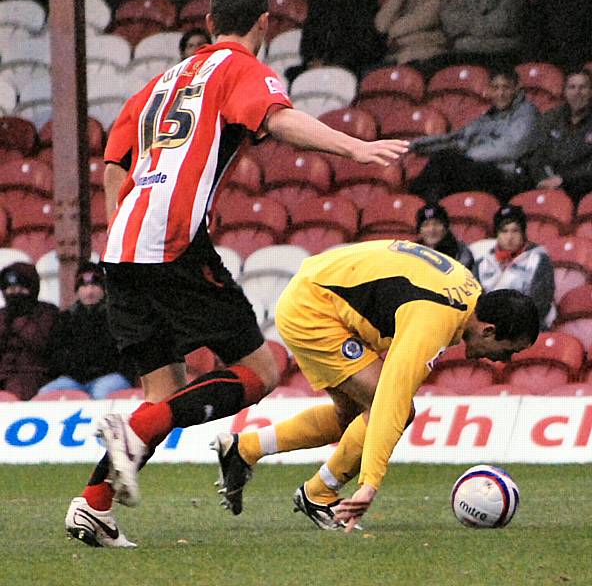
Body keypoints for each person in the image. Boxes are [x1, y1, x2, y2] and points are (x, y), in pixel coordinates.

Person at [64, 0, 408, 549]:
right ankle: (128, 436)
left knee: (164, 391)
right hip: (170, 241)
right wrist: (355, 147)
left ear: (206, 22)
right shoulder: (239, 68)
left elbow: (113, 168)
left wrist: (125, 233)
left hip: (122, 246)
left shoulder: (158, 83)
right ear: (265, 24)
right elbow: (278, 119)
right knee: (259, 372)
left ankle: (93, 506)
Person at [211, 239, 539, 531]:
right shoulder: (434, 321)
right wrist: (370, 483)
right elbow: (390, 403)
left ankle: (244, 449)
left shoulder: (467, 297)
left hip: (321, 290)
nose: (503, 361)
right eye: (508, 351)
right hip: (314, 308)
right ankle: (318, 493)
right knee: (393, 408)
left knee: (349, 416)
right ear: (489, 331)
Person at [409, 68, 542, 202]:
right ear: (489, 90)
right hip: (483, 172)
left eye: (506, 88)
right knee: (441, 175)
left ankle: (417, 205)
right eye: (495, 88)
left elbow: (510, 149)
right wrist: (420, 145)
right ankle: (418, 206)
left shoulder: (527, 113)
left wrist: (467, 155)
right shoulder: (487, 117)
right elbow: (459, 138)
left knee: (445, 163)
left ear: (516, 88)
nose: (500, 94)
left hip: (509, 178)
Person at [285, 0, 384, 83]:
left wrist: (331, 63)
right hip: (318, 63)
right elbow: (309, 36)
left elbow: (364, 41)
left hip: (350, 63)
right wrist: (312, 61)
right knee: (289, 74)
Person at [36, 262, 132, 400]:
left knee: (100, 394)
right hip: (74, 380)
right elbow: (56, 353)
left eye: (94, 285)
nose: (89, 291)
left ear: (104, 289)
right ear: (77, 290)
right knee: (46, 394)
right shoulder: (65, 318)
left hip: (110, 376)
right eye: (84, 286)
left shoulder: (116, 317)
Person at [474, 205, 555, 329]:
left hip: (528, 327)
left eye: (515, 231)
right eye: (504, 231)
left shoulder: (538, 259)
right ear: (497, 234)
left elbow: (540, 304)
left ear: (523, 232)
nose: (509, 237)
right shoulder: (482, 263)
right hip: (490, 329)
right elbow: (475, 301)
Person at [0, 262, 59, 400]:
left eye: (21, 288)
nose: (15, 292)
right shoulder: (2, 315)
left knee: (17, 388)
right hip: (4, 373)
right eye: (10, 288)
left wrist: (18, 322)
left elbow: (41, 344)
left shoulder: (47, 312)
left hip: (34, 374)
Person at [533, 68, 592, 204]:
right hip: (548, 179)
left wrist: (564, 180)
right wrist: (543, 179)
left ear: (591, 92)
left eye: (583, 87)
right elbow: (537, 154)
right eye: (572, 87)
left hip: (580, 184)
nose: (577, 92)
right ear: (564, 92)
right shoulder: (551, 117)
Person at [416, 203, 474, 270]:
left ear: (446, 228)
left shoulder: (460, 251)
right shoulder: (414, 249)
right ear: (420, 231)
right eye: (426, 225)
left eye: (437, 224)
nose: (432, 229)